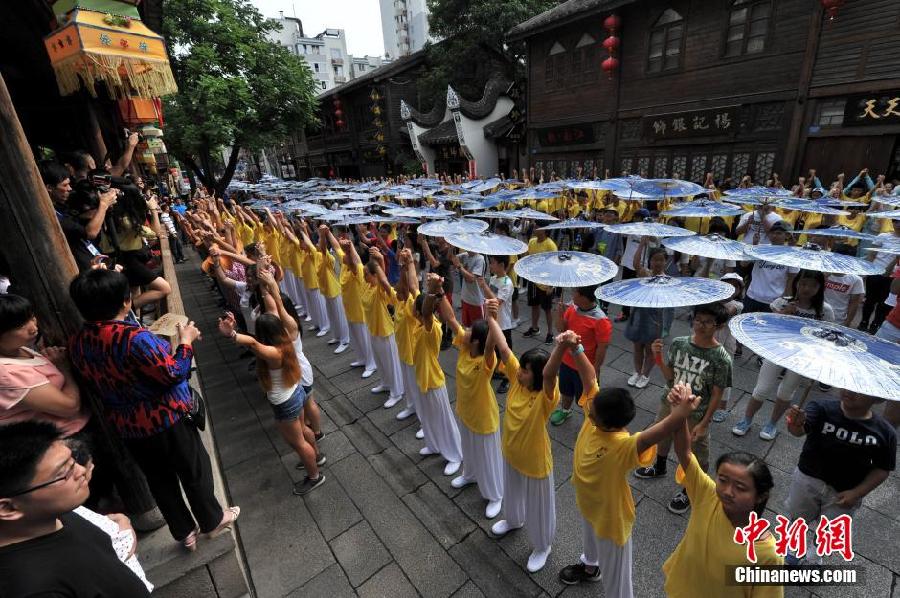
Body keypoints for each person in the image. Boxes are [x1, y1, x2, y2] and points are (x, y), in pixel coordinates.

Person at [67, 269, 238, 550]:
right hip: (166, 417)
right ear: (125, 302)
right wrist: (185, 342)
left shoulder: (78, 342)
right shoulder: (134, 339)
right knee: (193, 470)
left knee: (159, 481)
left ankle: (184, 531)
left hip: (128, 425)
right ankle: (212, 519)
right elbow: (173, 373)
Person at [559, 376, 698, 595]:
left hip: (611, 519)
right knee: (590, 542)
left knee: (617, 579)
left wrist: (679, 410)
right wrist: (575, 347)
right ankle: (590, 567)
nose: (588, 408)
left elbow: (658, 433)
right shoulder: (594, 422)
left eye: (592, 409)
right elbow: (588, 380)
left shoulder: (622, 446)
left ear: (605, 421)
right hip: (589, 505)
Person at [0, 421, 152, 597]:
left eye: (72, 460)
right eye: (63, 473)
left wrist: (120, 526)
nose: (81, 471)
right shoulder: (35, 589)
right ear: (8, 508)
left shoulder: (54, 514)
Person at [662, 384, 783, 598]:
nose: (727, 491)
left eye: (741, 487)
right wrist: (679, 414)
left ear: (761, 496)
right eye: (723, 480)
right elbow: (685, 453)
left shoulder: (766, 553)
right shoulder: (707, 495)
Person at [216, 267, 325, 496]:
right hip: (294, 392)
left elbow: (254, 345)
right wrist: (267, 285)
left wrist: (233, 334)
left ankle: (314, 475)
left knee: (297, 443)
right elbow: (274, 307)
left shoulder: (274, 353)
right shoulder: (285, 334)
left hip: (286, 400)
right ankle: (315, 457)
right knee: (304, 431)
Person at [635, 302, 733, 515]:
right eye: (698, 320)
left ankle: (690, 489)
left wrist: (705, 423)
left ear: (719, 326)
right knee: (662, 437)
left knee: (695, 453)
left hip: (696, 413)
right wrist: (658, 356)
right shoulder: (680, 344)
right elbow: (670, 377)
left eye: (708, 322)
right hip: (669, 402)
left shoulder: (721, 358)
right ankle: (659, 467)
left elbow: (717, 394)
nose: (701, 325)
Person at [783, 390, 896, 565]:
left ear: (877, 397)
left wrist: (857, 493)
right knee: (798, 516)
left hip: (845, 491)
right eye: (849, 384)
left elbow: (882, 469)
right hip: (808, 479)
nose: (850, 391)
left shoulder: (884, 432)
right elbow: (798, 431)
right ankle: (793, 547)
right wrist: (795, 424)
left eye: (860, 389)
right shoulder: (821, 408)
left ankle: (814, 556)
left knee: (829, 527)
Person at [488, 324, 566, 574]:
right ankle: (513, 520)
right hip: (512, 453)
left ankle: (543, 546)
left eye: (525, 370)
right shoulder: (516, 381)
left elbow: (551, 375)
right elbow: (502, 347)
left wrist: (561, 346)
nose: (519, 372)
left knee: (540, 505)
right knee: (512, 492)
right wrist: (492, 316)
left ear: (538, 376)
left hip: (535, 461)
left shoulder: (545, 397)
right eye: (520, 368)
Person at [733, 270, 835, 441]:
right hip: (777, 352)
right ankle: (746, 419)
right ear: (796, 283)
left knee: (787, 392)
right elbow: (766, 327)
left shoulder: (825, 310)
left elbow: (828, 337)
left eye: (813, 285)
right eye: (803, 283)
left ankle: (772, 423)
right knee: (762, 389)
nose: (806, 288)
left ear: (820, 287)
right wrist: (783, 314)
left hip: (803, 358)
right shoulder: (782, 303)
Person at [440, 295, 502, 519]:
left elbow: (491, 345)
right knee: (468, 448)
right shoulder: (465, 349)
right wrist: (438, 293)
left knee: (488, 457)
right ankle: (469, 474)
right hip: (466, 412)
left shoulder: (486, 362)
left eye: (469, 330)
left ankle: (495, 495)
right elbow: (450, 318)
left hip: (484, 418)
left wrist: (494, 316)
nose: (463, 330)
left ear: (476, 341)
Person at [0, 294, 88, 436]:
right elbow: (70, 406)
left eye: (31, 317)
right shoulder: (6, 374)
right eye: (20, 325)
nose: (33, 327)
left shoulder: (18, 348)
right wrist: (64, 369)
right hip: (63, 439)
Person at [413, 274, 462, 476]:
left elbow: (426, 313)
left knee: (443, 419)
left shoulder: (432, 326)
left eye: (416, 309)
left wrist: (433, 292)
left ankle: (455, 455)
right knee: (427, 417)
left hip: (433, 380)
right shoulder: (419, 324)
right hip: (422, 379)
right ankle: (433, 445)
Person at [549, 285, 612, 426]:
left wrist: (595, 369)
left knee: (588, 398)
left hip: (584, 367)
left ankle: (590, 421)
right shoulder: (572, 308)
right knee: (565, 389)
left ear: (583, 297)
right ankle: (565, 410)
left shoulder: (601, 320)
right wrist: (558, 315)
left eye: (574, 293)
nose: (572, 295)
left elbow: (602, 348)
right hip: (566, 361)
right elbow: (560, 329)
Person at [625, 244, 674, 388]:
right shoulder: (646, 274)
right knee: (637, 346)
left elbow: (669, 306)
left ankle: (646, 374)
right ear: (650, 261)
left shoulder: (668, 280)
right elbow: (635, 264)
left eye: (661, 260)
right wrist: (642, 243)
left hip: (656, 317)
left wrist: (665, 325)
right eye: (654, 260)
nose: (658, 263)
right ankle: (637, 372)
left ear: (666, 262)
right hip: (639, 313)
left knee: (649, 348)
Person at [338, 238, 377, 379]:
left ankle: (371, 364)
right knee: (356, 338)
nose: (343, 257)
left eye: (346, 256)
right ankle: (361, 358)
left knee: (364, 338)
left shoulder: (358, 270)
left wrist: (349, 250)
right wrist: (346, 249)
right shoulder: (345, 268)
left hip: (359, 311)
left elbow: (356, 262)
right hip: (349, 308)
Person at [741, 221, 798, 315]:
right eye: (772, 232)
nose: (774, 236)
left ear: (787, 235)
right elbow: (744, 264)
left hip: (774, 301)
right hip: (752, 297)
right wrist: (753, 246)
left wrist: (785, 299)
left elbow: (791, 278)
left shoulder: (792, 254)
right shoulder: (760, 249)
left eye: (779, 233)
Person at [477, 255, 514, 394]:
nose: (490, 266)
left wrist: (484, 286)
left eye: (492, 263)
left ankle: (508, 377)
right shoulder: (493, 278)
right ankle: (497, 370)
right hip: (491, 322)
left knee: (505, 352)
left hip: (503, 324)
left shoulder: (507, 282)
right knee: (494, 350)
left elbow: (496, 302)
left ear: (501, 265)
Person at [711, 273, 745, 423]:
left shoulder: (737, 305)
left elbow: (724, 316)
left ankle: (722, 407)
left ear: (740, 290)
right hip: (708, 342)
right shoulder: (711, 300)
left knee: (724, 375)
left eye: (735, 286)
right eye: (727, 285)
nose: (731, 289)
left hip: (726, 345)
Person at [316, 225, 350, 354]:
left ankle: (344, 340)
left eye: (318, 242)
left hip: (335, 290)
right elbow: (336, 246)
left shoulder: (328, 256)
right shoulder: (321, 255)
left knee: (340, 316)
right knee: (333, 315)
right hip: (327, 289)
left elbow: (328, 247)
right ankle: (337, 336)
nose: (317, 244)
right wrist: (328, 233)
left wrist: (324, 235)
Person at [523, 227, 557, 344]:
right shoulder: (532, 241)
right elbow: (528, 258)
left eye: (537, 226)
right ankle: (534, 328)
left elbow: (555, 265)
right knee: (534, 305)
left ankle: (550, 333)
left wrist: (551, 285)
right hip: (533, 280)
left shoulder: (550, 245)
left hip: (546, 283)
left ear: (544, 230)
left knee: (547, 309)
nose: (534, 227)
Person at [823, 244, 865, 327]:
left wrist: (847, 323)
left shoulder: (856, 280)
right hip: (816, 314)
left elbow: (854, 304)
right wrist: (824, 277)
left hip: (838, 321)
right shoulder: (822, 272)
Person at [450, 248, 487, 327]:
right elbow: (452, 258)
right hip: (465, 298)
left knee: (477, 329)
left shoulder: (480, 259)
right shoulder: (465, 255)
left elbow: (472, 278)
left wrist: (460, 267)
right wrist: (451, 247)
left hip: (476, 301)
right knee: (466, 326)